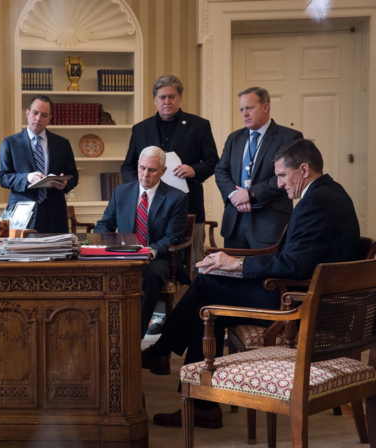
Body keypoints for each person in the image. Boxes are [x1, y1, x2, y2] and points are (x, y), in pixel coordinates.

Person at [143, 139, 360, 429]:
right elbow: (293, 257)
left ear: (304, 169)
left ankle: (165, 354)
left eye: (283, 175)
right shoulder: (329, 192)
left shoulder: (316, 201)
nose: (279, 184)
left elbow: (296, 265)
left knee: (206, 288)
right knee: (208, 304)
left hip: (301, 304)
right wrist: (232, 262)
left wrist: (237, 264)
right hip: (301, 291)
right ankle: (199, 402)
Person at [121, 75, 219, 279]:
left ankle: (192, 305)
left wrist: (194, 170)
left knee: (194, 263)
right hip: (148, 210)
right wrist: (140, 185)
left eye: (172, 96)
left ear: (180, 98)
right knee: (154, 262)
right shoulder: (140, 129)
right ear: (155, 100)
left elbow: (213, 162)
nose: (167, 101)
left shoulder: (199, 126)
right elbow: (128, 166)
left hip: (189, 206)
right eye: (162, 97)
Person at [95, 146, 189, 338]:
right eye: (142, 168)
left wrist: (150, 251)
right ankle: (104, 333)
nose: (145, 175)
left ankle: (132, 336)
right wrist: (96, 244)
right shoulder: (121, 192)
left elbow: (173, 237)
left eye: (152, 170)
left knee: (149, 273)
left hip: (158, 257)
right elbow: (105, 224)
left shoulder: (176, 198)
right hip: (123, 254)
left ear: (163, 171)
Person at [215, 87, 303, 249]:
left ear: (265, 107)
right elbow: (221, 171)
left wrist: (250, 194)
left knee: (264, 273)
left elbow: (288, 175)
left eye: (249, 108)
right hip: (235, 221)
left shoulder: (289, 137)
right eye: (241, 109)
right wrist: (235, 194)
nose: (244, 114)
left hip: (269, 223)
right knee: (231, 273)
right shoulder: (234, 138)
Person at [0, 95, 79, 233]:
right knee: (22, 254)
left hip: (55, 214)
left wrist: (65, 184)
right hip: (22, 215)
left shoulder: (62, 144)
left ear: (49, 118)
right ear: (27, 113)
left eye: (44, 115)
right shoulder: (10, 143)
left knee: (58, 253)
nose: (38, 118)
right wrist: (27, 178)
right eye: (35, 113)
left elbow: (74, 175)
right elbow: (2, 177)